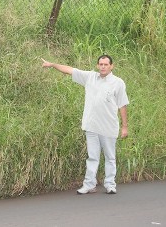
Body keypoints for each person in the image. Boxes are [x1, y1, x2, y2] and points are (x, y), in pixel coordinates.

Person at [41, 55, 129, 194]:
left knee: (110, 157)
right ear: (97, 65)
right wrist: (52, 64)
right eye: (101, 64)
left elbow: (122, 105)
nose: (103, 67)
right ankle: (89, 184)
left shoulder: (118, 83)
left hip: (109, 127)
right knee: (92, 157)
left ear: (112, 66)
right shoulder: (90, 77)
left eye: (106, 64)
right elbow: (69, 70)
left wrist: (125, 126)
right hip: (91, 126)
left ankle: (110, 184)